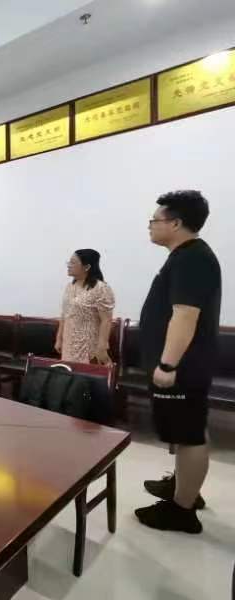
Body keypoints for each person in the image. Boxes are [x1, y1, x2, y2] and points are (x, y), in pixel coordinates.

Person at [135, 190, 221, 534]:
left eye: (154, 220)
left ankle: (182, 511)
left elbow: (185, 315)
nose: (150, 225)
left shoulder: (191, 258)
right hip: (187, 365)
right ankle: (184, 486)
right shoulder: (187, 256)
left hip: (182, 367)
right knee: (190, 430)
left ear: (175, 223)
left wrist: (168, 365)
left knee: (189, 435)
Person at [55, 249, 116, 364]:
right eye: (69, 262)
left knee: (86, 373)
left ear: (87, 267)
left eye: (73, 262)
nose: (68, 265)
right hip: (68, 343)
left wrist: (102, 347)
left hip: (88, 346)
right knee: (69, 373)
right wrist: (59, 338)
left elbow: (106, 320)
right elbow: (64, 315)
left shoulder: (101, 288)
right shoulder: (69, 287)